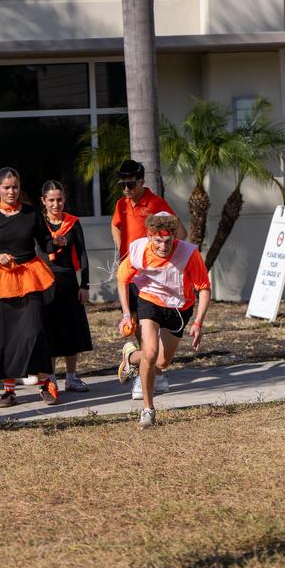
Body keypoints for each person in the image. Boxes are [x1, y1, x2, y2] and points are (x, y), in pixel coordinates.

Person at [0, 167, 62, 408]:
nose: (11, 191)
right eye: (7, 187)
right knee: (5, 338)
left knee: (35, 331)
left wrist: (57, 242)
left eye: (15, 187)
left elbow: (45, 243)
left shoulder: (31, 214)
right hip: (0, 281)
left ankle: (46, 383)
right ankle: (9, 391)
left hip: (29, 276)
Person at [116, 213, 211, 427]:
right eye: (158, 240)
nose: (163, 246)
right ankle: (148, 410)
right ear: (149, 236)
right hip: (149, 299)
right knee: (150, 354)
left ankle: (130, 357)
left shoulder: (188, 254)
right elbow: (122, 279)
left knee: (161, 362)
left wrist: (198, 323)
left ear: (174, 236)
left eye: (168, 241)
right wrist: (126, 314)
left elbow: (204, 288)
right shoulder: (139, 250)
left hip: (179, 306)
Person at [110, 159, 187, 400]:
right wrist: (122, 251)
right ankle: (151, 371)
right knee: (137, 325)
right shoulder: (122, 204)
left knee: (153, 326)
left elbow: (180, 233)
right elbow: (115, 226)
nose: (126, 189)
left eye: (131, 184)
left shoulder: (156, 203)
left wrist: (167, 257)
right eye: (122, 184)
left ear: (142, 182)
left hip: (153, 277)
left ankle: (152, 372)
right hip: (131, 273)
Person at [40, 180, 93, 392]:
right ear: (43, 201)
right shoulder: (38, 223)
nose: (56, 204)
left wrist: (84, 284)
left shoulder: (73, 222)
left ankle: (71, 378)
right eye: (51, 200)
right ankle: (51, 379)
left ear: (65, 199)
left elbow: (82, 253)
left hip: (69, 281)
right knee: (49, 330)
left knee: (72, 328)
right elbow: (35, 249)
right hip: (44, 281)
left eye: (59, 199)